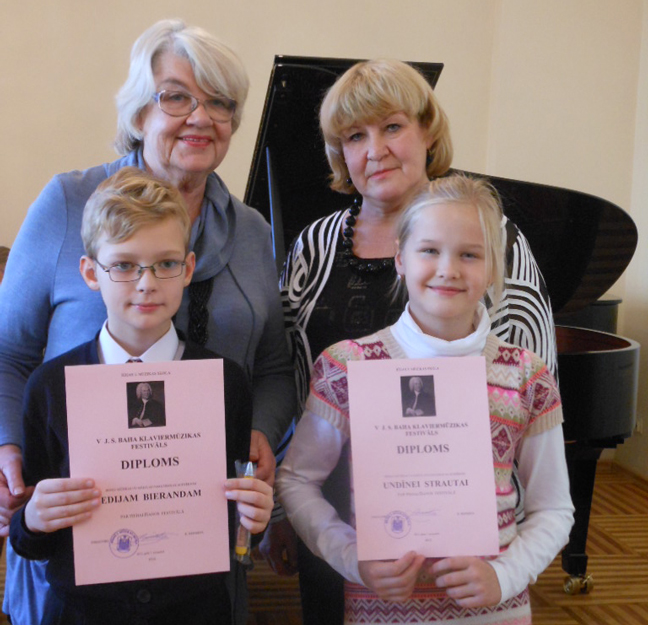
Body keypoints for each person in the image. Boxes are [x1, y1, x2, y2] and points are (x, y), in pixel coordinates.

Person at [0, 19, 294, 625]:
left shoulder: (253, 231)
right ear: (139, 113)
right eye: (176, 97)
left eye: (220, 102)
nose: (201, 117)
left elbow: (271, 364)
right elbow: (8, 350)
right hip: (80, 542)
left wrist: (260, 433)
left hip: (194, 547)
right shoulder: (68, 204)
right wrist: (9, 447)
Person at [263, 59, 558, 624]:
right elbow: (294, 374)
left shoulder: (493, 237)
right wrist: (285, 512)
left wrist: (509, 562)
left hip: (469, 534)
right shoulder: (314, 245)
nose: (375, 150)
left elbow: (530, 393)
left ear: (427, 133)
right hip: (336, 522)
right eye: (355, 136)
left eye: (392, 127)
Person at [9, 167, 274, 625]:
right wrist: (33, 517)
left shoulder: (225, 383)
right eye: (124, 265)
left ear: (187, 269)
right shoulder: (51, 386)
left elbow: (233, 525)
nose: (147, 282)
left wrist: (254, 518)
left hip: (197, 613)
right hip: (81, 614)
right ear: (91, 273)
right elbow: (28, 538)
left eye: (166, 264)